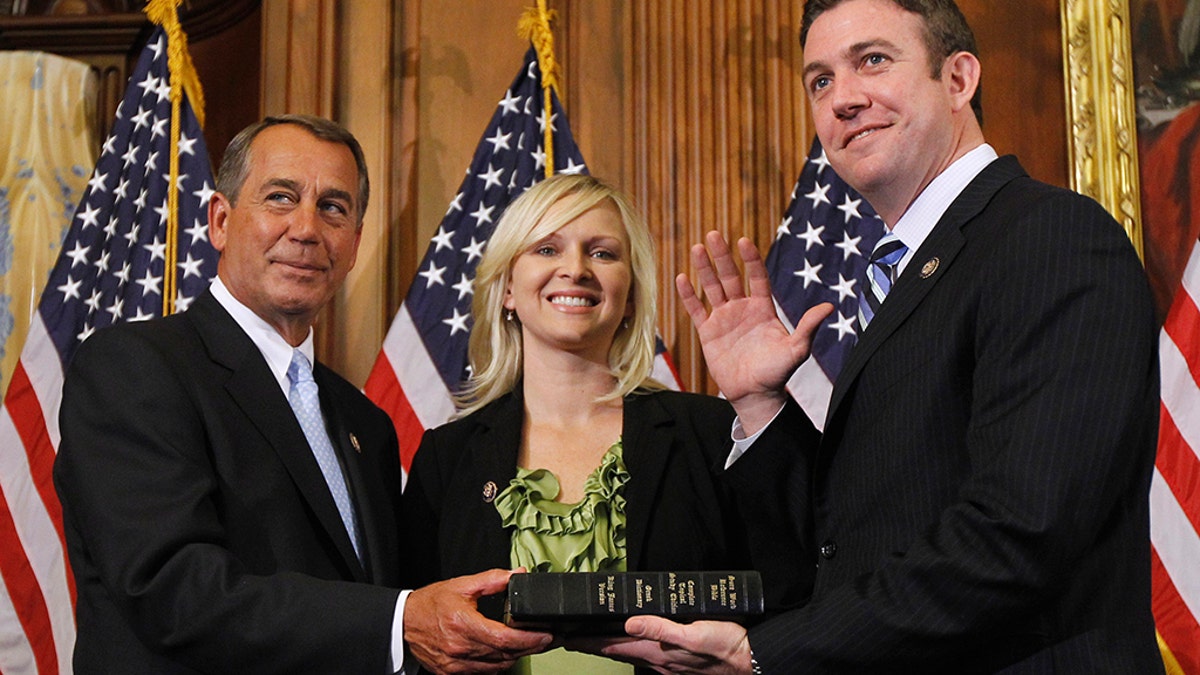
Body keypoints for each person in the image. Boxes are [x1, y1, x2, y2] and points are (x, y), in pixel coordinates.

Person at [586, 0, 1164, 672]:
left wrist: (765, 652)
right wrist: (761, 405)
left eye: (873, 61)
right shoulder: (904, 270)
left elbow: (1019, 532)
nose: (844, 99)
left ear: (958, 79)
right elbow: (850, 548)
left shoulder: (1050, 237)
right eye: (820, 80)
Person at [53, 114, 551, 674]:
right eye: (281, 198)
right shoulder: (136, 368)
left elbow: (392, 600)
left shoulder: (367, 424)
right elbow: (173, 590)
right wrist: (399, 622)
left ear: (355, 243)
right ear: (220, 220)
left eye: (334, 207)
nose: (307, 228)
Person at [402, 174, 810, 673]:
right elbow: (416, 636)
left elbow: (803, 577)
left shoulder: (712, 432)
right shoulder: (447, 457)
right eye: (547, 249)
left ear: (632, 295)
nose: (575, 270)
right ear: (507, 288)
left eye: (602, 253)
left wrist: (761, 402)